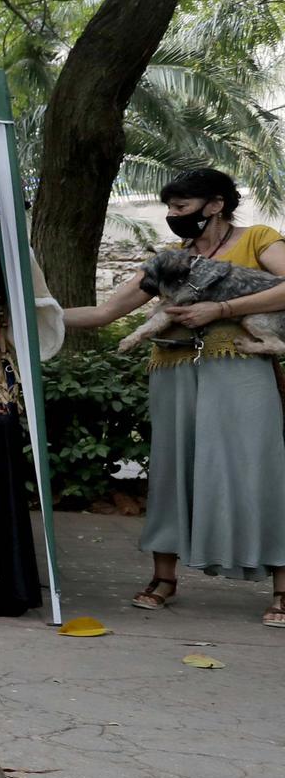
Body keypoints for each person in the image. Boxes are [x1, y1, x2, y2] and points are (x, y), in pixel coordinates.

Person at [63, 168, 285, 626]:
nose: (172, 215)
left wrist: (221, 308)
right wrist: (30, 314)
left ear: (216, 204)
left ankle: (282, 588)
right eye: (169, 207)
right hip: (173, 370)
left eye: (181, 206)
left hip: (240, 368)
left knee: (256, 470)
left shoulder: (259, 238)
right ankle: (164, 579)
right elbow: (105, 312)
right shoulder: (169, 261)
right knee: (171, 470)